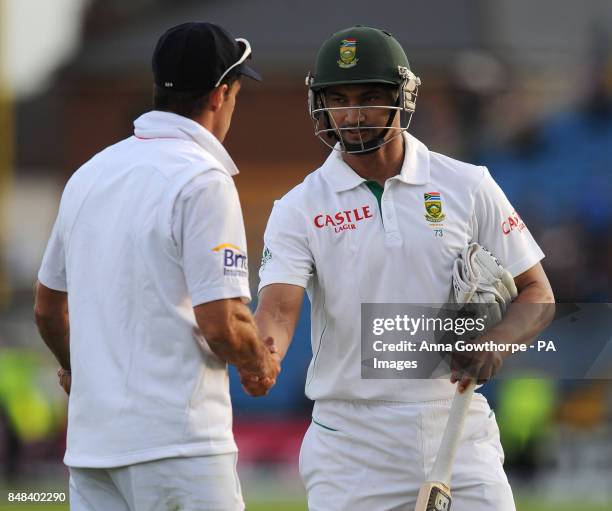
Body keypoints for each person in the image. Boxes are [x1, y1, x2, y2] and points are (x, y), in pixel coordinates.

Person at [255, 26, 555, 510]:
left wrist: (494, 345)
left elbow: (537, 294)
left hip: (457, 426)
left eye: (370, 97)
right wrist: (263, 356)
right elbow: (278, 310)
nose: (352, 114)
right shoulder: (298, 207)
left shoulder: (468, 184)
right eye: (338, 99)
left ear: (403, 96)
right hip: (351, 442)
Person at [34, 22, 279, 511]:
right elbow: (223, 324)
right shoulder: (204, 178)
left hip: (92, 452)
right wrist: (259, 363)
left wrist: (78, 369)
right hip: (179, 450)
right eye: (235, 94)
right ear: (219, 95)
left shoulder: (89, 175)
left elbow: (47, 310)